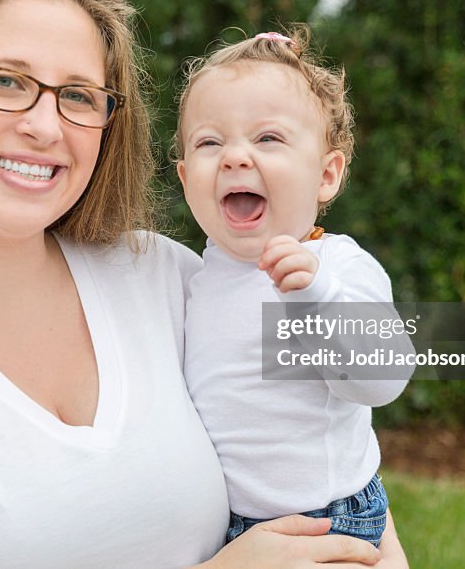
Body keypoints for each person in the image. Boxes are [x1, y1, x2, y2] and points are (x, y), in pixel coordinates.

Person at [0, 0, 408, 568]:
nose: (43, 125)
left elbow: (324, 448)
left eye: (78, 96)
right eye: (4, 80)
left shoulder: (166, 275)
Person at [175, 29, 412, 547]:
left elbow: (384, 378)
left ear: (326, 175)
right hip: (233, 527)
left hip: (328, 517)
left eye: (268, 139)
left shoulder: (336, 264)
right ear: (185, 176)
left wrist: (317, 296)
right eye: (210, 142)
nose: (236, 157)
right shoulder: (197, 278)